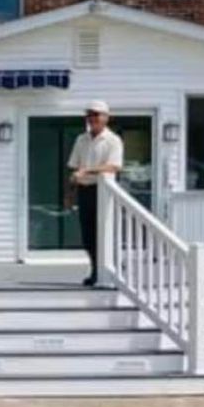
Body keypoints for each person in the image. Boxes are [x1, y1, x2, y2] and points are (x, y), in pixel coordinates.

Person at [61, 100, 124, 287]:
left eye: (97, 114)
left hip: (104, 191)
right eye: (90, 115)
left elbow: (114, 166)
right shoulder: (81, 139)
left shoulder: (113, 140)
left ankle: (109, 270)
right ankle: (96, 270)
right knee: (88, 235)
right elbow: (73, 168)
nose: (93, 118)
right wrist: (69, 194)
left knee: (103, 233)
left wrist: (87, 171)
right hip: (84, 190)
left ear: (106, 117)